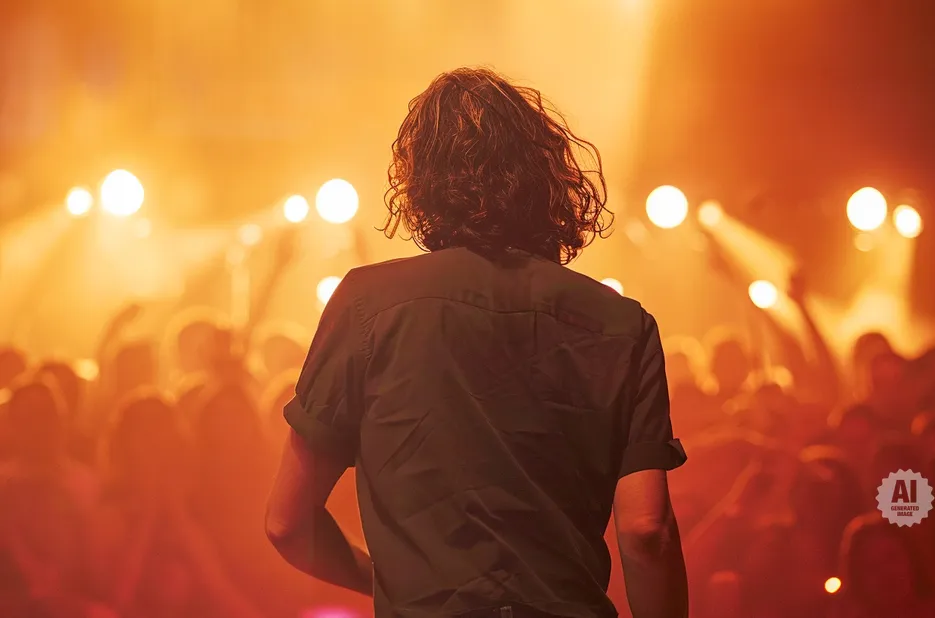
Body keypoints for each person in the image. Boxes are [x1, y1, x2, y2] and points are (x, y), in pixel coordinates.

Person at [265, 67, 688, 618]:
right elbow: (645, 531)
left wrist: (390, 582)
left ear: (419, 181)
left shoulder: (367, 304)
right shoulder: (622, 325)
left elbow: (286, 523)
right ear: (545, 175)